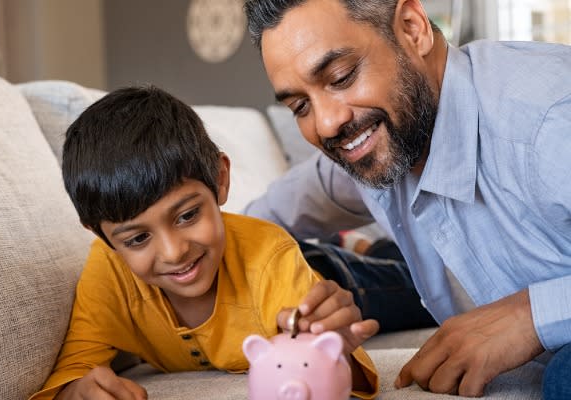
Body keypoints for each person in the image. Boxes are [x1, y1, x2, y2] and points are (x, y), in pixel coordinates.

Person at [243, 0, 571, 398]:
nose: (327, 122)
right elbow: (248, 227)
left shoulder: (550, 121)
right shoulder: (368, 146)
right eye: (300, 106)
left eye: (342, 77)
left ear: (414, 29)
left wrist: (531, 315)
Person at [29, 85, 380, 400]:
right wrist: (75, 391)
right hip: (295, 257)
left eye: (187, 216)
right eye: (138, 238)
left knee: (397, 279)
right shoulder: (108, 273)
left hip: (332, 275)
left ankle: (366, 248)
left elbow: (334, 358)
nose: (174, 251)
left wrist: (336, 351)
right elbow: (75, 367)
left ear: (220, 178)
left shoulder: (270, 256)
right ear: (102, 236)